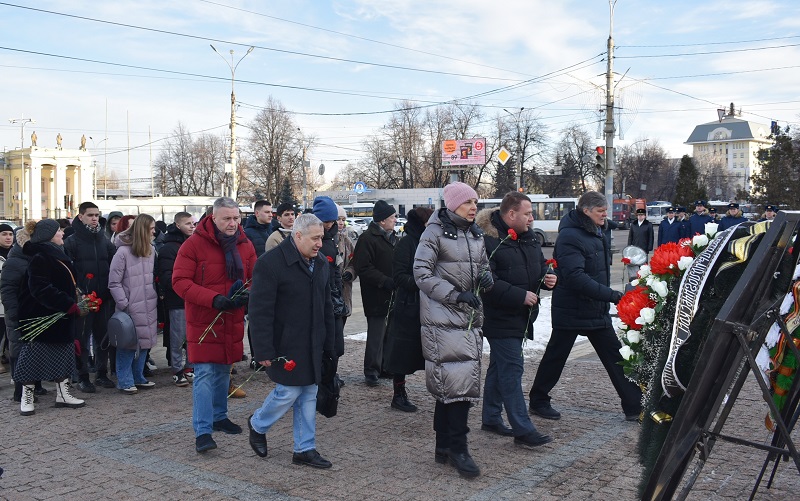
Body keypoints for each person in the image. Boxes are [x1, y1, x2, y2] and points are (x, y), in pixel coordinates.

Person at [529, 191, 641, 423]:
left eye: (605, 210)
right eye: (600, 211)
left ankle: (635, 406)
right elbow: (575, 278)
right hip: (571, 308)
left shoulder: (598, 230)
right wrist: (613, 296)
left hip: (594, 308)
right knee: (556, 357)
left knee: (615, 357)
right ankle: (538, 400)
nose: (605, 215)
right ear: (586, 211)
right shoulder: (571, 236)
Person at [414, 182, 491, 478]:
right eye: (468, 202)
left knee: (452, 382)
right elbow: (421, 273)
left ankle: (444, 446)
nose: (474, 207)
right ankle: (459, 449)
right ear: (452, 204)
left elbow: (483, 266)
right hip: (442, 317)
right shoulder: (434, 233)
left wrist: (486, 280)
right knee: (457, 382)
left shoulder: (474, 233)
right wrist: (455, 295)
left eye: (476, 201)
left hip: (467, 318)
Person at [247, 214, 336, 469]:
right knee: (288, 391)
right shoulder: (270, 264)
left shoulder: (320, 263)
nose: (320, 243)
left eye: (321, 237)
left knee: (309, 392)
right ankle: (258, 424)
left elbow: (326, 305)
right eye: (315, 238)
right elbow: (259, 310)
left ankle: (304, 449)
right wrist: (262, 349)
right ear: (298, 236)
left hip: (313, 341)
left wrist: (331, 343)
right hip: (284, 343)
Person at [172, 197, 256, 453]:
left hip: (231, 318)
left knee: (223, 370)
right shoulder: (193, 244)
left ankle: (220, 416)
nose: (233, 223)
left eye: (236, 218)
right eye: (227, 219)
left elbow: (254, 278)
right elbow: (180, 282)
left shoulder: (245, 244)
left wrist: (246, 295)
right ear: (213, 217)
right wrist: (213, 299)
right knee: (206, 374)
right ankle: (203, 430)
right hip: (203, 319)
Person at [476, 192, 555, 449]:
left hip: (522, 315)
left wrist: (547, 278)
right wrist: (520, 295)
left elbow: (538, 266)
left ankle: (490, 417)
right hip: (499, 316)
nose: (532, 218)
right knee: (512, 369)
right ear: (511, 215)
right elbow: (487, 282)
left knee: (500, 367)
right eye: (528, 213)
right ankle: (523, 428)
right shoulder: (488, 240)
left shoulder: (528, 236)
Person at [15, 219, 87, 415]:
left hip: (60, 316)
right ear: (48, 236)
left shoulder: (55, 253)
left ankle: (63, 394)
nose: (62, 234)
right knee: (33, 357)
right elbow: (40, 288)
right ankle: (26, 396)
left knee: (63, 355)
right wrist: (67, 303)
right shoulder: (41, 256)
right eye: (58, 231)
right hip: (39, 315)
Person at [383, 207, 433, 413]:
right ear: (421, 224)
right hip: (409, 307)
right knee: (402, 355)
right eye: (430, 223)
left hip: (430, 305)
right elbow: (399, 276)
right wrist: (424, 283)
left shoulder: (431, 243)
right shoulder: (406, 243)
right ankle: (399, 394)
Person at [63, 202, 117, 392]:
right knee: (82, 340)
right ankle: (82, 375)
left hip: (104, 297)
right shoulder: (72, 241)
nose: (94, 218)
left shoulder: (104, 240)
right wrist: (79, 293)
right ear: (81, 217)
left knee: (103, 338)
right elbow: (67, 272)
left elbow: (115, 264)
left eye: (97, 215)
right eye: (90, 215)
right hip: (84, 300)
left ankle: (101, 374)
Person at [109, 215, 159, 394]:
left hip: (148, 304)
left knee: (145, 342)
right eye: (151, 228)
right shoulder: (122, 253)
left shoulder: (151, 250)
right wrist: (124, 303)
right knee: (128, 344)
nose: (154, 231)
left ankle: (138, 376)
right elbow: (114, 282)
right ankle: (125, 380)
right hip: (130, 305)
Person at [352, 200, 397, 386]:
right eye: (393, 217)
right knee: (376, 335)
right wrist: (384, 281)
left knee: (389, 333)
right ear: (382, 220)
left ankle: (385, 367)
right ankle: (371, 370)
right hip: (376, 294)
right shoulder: (367, 238)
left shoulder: (392, 237)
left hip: (392, 293)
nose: (396, 220)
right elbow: (362, 267)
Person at [1, 226, 48, 401]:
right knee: (19, 351)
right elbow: (7, 291)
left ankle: (35, 386)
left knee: (33, 351)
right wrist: (14, 314)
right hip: (19, 314)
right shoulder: (14, 261)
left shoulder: (34, 259)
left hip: (34, 312)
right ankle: (20, 392)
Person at [157, 212, 196, 387]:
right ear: (178, 225)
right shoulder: (168, 247)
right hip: (177, 298)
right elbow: (166, 275)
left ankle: (190, 367)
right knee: (178, 336)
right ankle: (176, 369)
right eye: (188, 223)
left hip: (194, 297)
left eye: (193, 223)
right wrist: (185, 285)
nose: (192, 226)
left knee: (192, 336)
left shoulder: (194, 244)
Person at [312, 196, 347, 362]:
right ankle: (325, 377)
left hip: (334, 294)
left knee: (336, 344)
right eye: (326, 221)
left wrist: (338, 292)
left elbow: (335, 269)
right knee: (327, 344)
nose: (330, 224)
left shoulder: (333, 238)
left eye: (332, 220)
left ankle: (331, 373)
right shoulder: (313, 239)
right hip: (319, 296)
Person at [336, 205, 356, 328]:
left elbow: (354, 261)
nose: (341, 223)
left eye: (343, 219)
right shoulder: (325, 238)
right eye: (338, 219)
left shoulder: (347, 240)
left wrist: (350, 272)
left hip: (344, 290)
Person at [0, 223, 13, 373]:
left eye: (10, 234)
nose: (8, 237)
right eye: (4, 234)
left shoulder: (15, 253)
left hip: (11, 300)